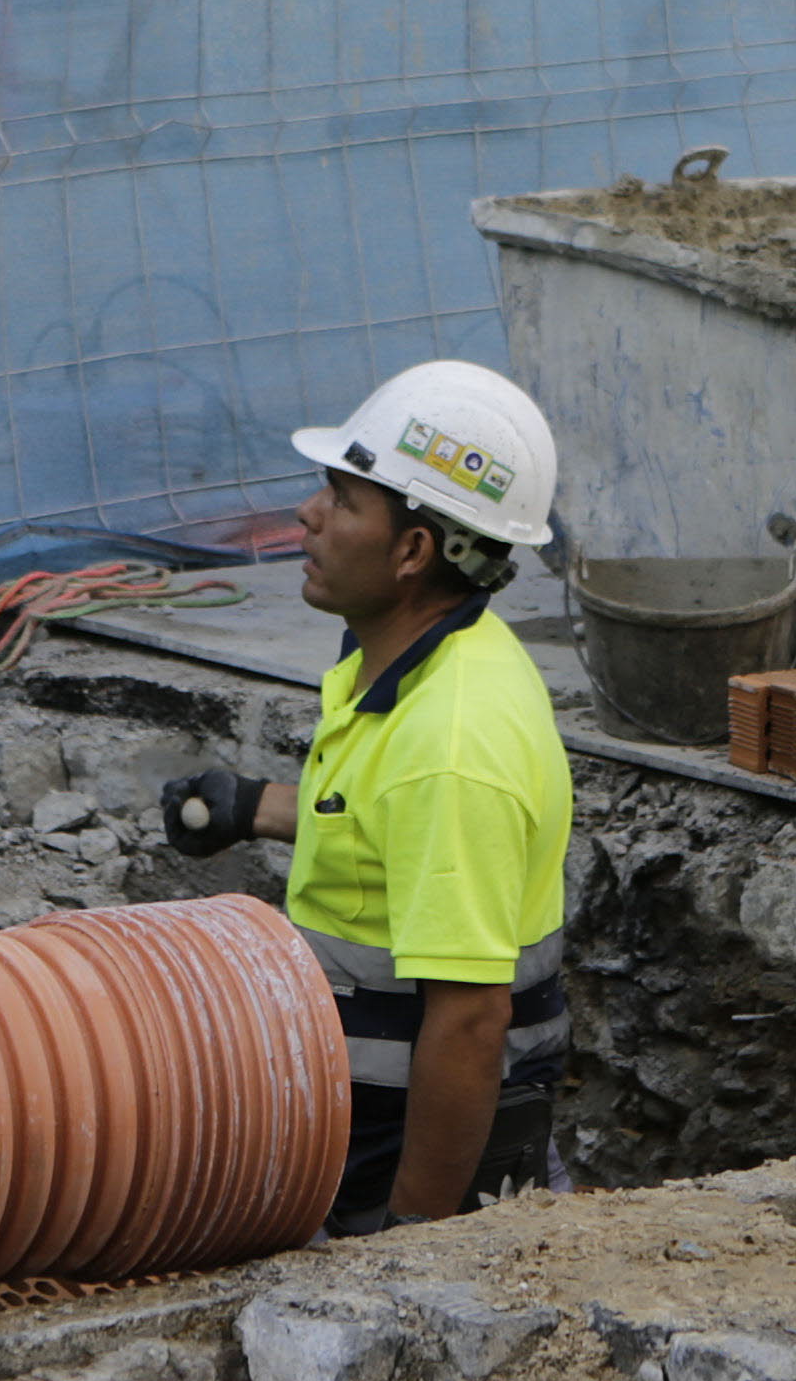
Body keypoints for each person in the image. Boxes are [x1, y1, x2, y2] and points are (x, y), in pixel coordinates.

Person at [155, 363, 575, 1229]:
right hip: (356, 1125)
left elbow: (467, 1025)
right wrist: (262, 807)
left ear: (415, 552)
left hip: (409, 1151)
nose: (308, 516)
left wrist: (411, 1244)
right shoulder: (407, 661)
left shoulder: (450, 744)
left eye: (343, 500)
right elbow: (388, 831)